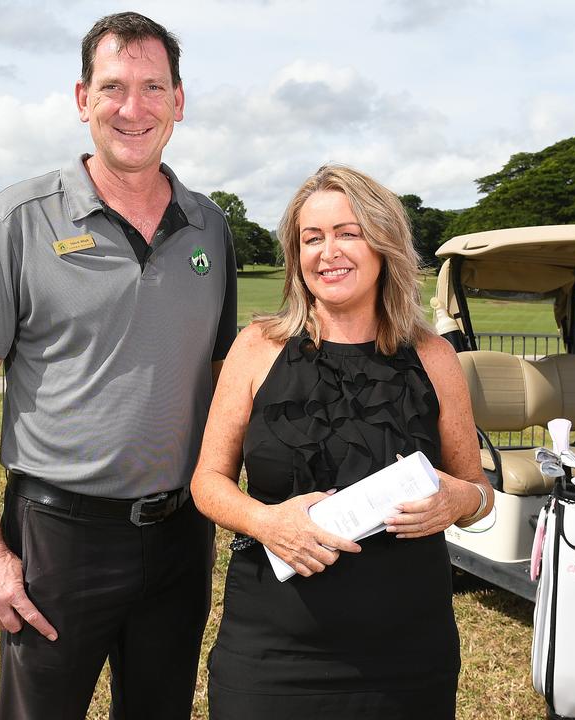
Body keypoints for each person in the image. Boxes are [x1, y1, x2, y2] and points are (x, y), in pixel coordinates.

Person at [0, 12, 236, 719]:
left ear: (179, 102)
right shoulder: (18, 219)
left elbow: (228, 374)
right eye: (113, 87)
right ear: (82, 100)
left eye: (152, 87)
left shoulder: (211, 227)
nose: (132, 108)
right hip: (58, 539)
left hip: (181, 538)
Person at [191, 164, 493, 719]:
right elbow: (207, 482)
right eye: (312, 238)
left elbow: (477, 490)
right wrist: (266, 522)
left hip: (407, 654)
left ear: (383, 245)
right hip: (272, 652)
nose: (328, 251)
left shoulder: (435, 357)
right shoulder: (258, 348)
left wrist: (460, 500)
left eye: (347, 232)